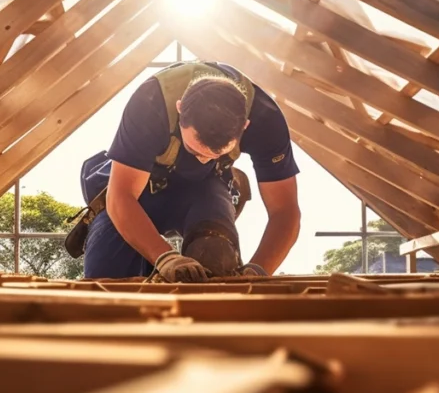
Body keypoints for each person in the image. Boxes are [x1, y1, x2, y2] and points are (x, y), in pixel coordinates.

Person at [66, 60, 301, 282]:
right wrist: (165, 257)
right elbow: (121, 196)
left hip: (205, 190)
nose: (201, 159)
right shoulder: (150, 103)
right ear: (179, 110)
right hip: (140, 191)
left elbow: (285, 211)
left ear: (245, 126)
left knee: (216, 256)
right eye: (194, 149)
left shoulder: (266, 120)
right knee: (108, 278)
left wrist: (258, 270)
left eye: (214, 155)